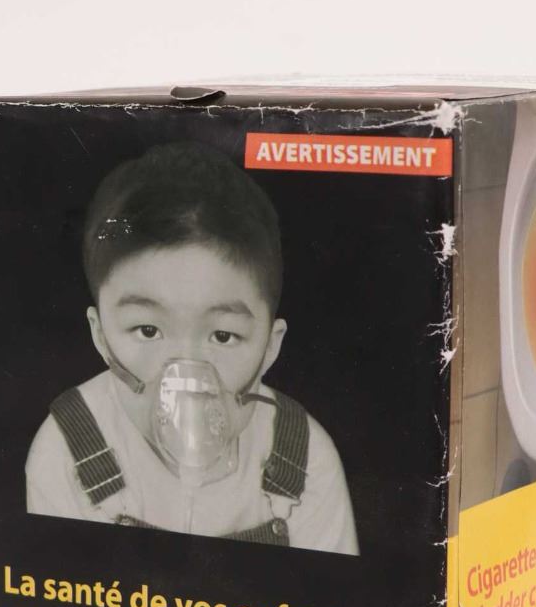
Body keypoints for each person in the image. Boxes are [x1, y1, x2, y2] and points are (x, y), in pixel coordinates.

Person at [25, 141, 359, 554]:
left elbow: (328, 596)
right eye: (148, 330)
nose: (187, 379)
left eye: (222, 336)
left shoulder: (307, 461)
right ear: (101, 336)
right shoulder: (65, 452)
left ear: (270, 347)